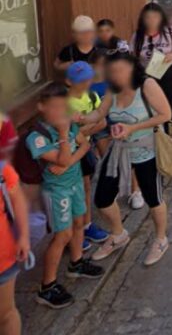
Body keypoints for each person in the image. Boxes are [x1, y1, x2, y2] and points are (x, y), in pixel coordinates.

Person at [86, 53, 171, 266]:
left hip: (146, 151)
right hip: (119, 151)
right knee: (103, 199)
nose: (117, 75)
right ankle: (118, 234)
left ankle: (161, 239)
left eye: (122, 70)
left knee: (154, 199)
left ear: (133, 69)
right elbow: (100, 113)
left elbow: (165, 114)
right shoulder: (111, 89)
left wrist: (132, 127)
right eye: (113, 71)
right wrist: (82, 118)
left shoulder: (147, 85)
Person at [27, 85, 104, 308]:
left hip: (75, 183)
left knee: (79, 221)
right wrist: (63, 136)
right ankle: (47, 286)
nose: (62, 112)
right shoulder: (37, 137)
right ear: (42, 107)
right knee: (63, 234)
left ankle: (76, 263)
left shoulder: (70, 126)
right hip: (56, 191)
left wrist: (68, 160)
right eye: (56, 108)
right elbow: (59, 159)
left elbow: (85, 144)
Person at [64, 62, 110, 246]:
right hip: (68, 154)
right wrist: (88, 128)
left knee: (86, 187)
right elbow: (69, 135)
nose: (85, 83)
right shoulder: (64, 103)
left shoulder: (90, 95)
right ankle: (72, 233)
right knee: (72, 193)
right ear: (69, 81)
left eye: (87, 79)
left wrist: (83, 130)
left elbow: (103, 122)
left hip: (85, 150)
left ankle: (87, 225)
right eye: (80, 81)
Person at [131, 3, 172, 123]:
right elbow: (133, 56)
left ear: (161, 18)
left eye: (155, 17)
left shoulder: (170, 31)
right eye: (148, 17)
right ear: (143, 19)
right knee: (151, 110)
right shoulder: (138, 35)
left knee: (169, 110)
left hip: (168, 74)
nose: (152, 21)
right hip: (147, 76)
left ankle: (170, 137)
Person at [0, 125, 30, 332]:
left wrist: (24, 237)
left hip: (3, 255)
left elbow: (17, 197)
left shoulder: (2, 170)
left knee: (6, 313)